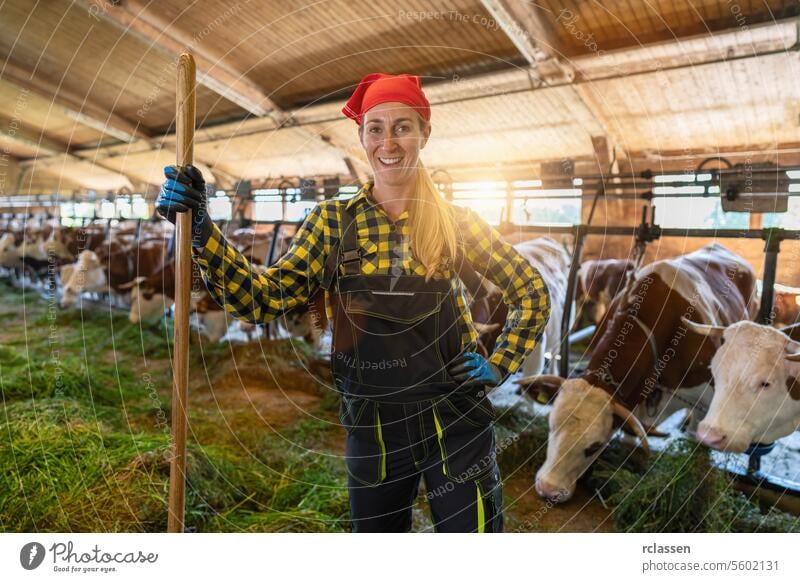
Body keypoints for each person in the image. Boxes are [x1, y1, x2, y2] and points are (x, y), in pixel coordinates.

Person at [156, 72, 551, 533]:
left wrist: (500, 365)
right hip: (373, 422)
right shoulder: (330, 223)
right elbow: (262, 301)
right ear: (362, 138)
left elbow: (531, 292)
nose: (389, 141)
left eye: (403, 126)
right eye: (375, 128)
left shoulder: (458, 224)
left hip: (454, 416)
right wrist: (203, 230)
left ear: (424, 132)